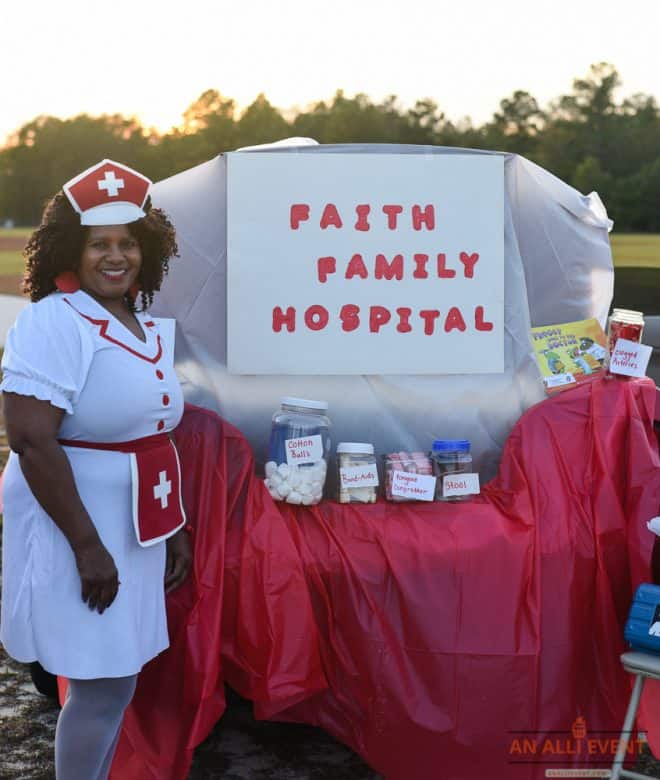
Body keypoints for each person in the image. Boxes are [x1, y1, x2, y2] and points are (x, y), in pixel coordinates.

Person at [0, 159, 192, 779]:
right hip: (80, 527)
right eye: (98, 245)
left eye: (128, 243)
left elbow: (150, 434)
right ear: (70, 252)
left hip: (132, 528)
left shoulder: (138, 323)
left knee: (119, 682)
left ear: (148, 248)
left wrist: (173, 529)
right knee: (99, 687)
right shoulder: (55, 321)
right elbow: (30, 440)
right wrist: (88, 547)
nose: (117, 257)